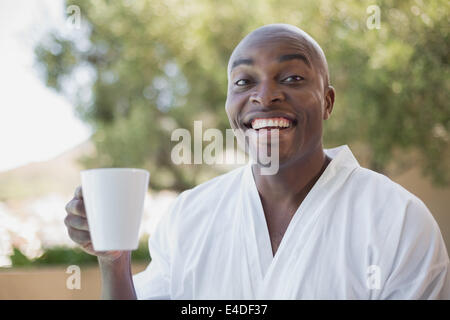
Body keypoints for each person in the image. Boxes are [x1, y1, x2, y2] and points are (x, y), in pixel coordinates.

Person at [64, 24, 450, 299]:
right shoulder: (189, 217)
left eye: (293, 78)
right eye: (244, 82)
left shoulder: (397, 221)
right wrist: (114, 261)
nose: (265, 96)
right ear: (229, 104)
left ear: (328, 102)